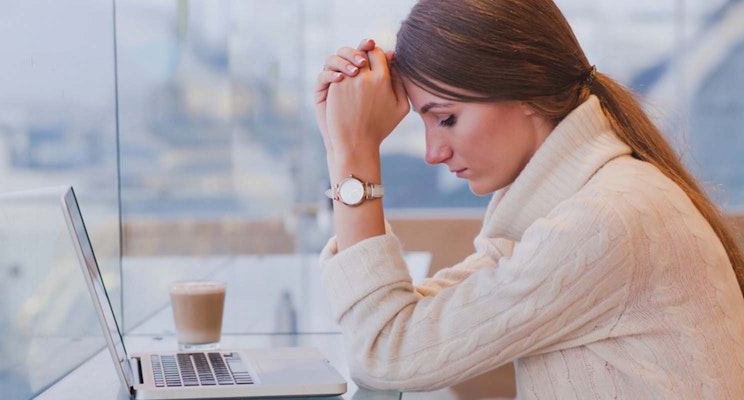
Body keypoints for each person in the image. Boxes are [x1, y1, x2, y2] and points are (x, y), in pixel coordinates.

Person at [313, 0, 744, 398]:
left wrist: (354, 154)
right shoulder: (566, 207)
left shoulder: (603, 220)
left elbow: (388, 354)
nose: (432, 153)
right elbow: (401, 329)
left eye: (446, 118)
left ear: (527, 91)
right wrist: (341, 146)